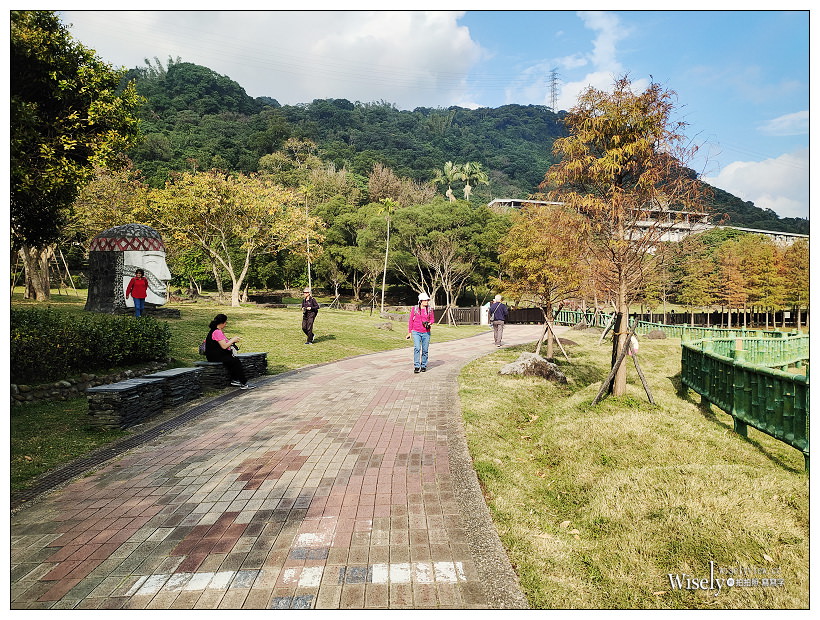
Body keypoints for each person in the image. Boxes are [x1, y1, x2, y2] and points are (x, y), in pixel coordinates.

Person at [205, 314, 254, 389]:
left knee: (234, 361)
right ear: (222, 323)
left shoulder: (214, 331)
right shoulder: (217, 332)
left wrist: (232, 341)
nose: (225, 324)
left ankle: (235, 380)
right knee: (235, 361)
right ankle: (243, 383)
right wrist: (233, 340)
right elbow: (224, 346)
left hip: (214, 355)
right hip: (215, 356)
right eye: (225, 323)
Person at [406, 292, 434, 373]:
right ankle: (417, 366)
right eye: (424, 300)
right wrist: (409, 332)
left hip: (426, 332)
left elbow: (432, 319)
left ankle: (424, 365)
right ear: (420, 301)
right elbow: (411, 320)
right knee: (417, 348)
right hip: (416, 332)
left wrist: (429, 323)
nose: (426, 302)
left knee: (425, 350)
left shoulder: (429, 309)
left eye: (427, 300)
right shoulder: (414, 309)